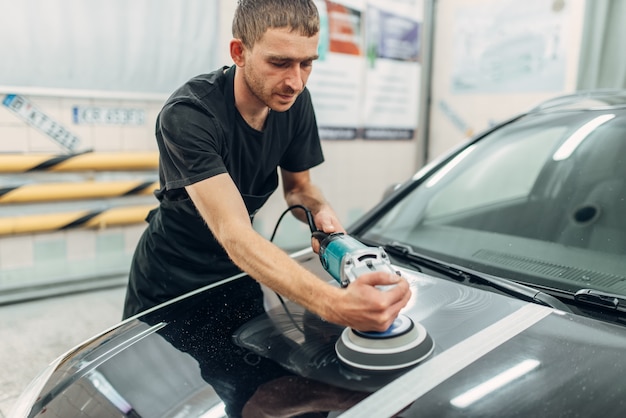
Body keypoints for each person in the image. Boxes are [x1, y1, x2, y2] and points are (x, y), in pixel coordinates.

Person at [122, 0, 410, 334]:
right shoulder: (189, 115)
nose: (295, 82)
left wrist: (318, 212)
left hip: (242, 269)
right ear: (239, 52)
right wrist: (334, 304)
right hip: (169, 280)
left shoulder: (296, 102)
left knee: (256, 379)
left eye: (306, 63)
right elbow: (235, 233)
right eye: (280, 62)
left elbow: (299, 188)